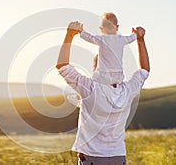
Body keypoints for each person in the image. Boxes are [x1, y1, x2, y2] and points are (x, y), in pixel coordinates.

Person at [56, 21, 150, 165]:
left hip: (91, 157)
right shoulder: (128, 90)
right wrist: (140, 39)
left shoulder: (89, 88)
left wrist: (70, 35)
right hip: (118, 156)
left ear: (97, 69)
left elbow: (62, 66)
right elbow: (144, 71)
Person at [80, 12, 137, 85]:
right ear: (117, 27)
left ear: (101, 29)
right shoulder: (122, 39)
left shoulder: (102, 39)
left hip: (103, 74)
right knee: (117, 88)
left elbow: (89, 37)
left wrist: (81, 31)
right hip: (118, 74)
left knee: (94, 84)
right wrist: (135, 33)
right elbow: (131, 38)